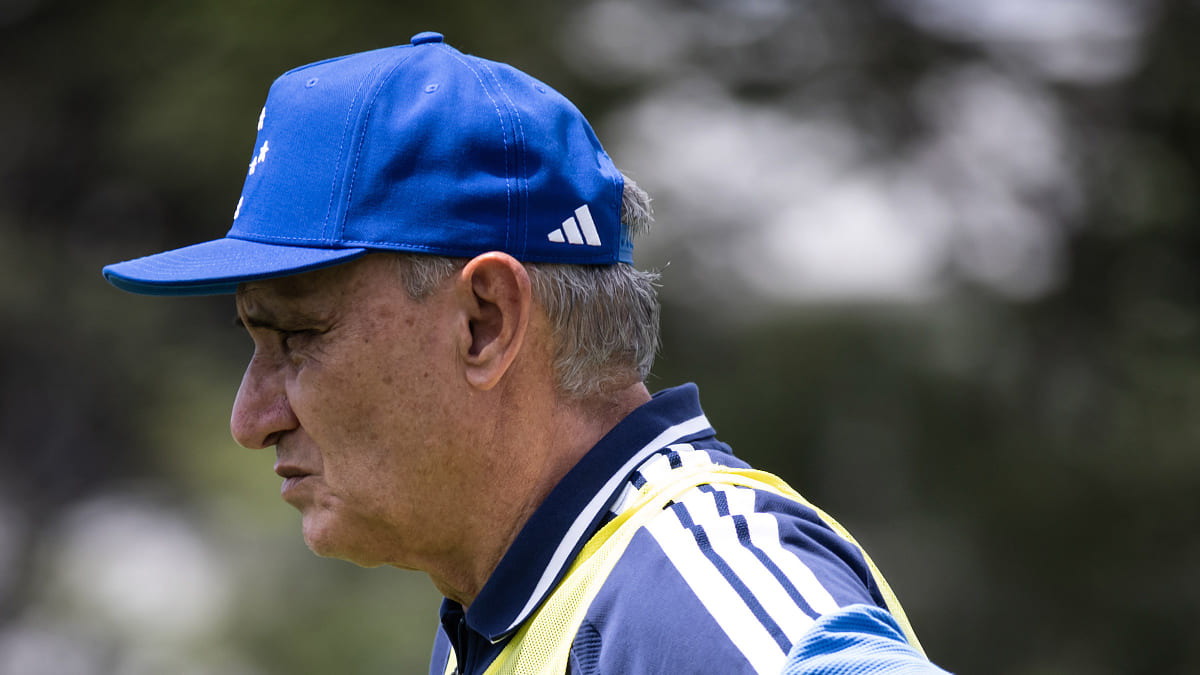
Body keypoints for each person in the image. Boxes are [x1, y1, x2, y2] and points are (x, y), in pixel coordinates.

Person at [102, 32, 950, 675]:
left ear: (486, 322)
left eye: (296, 337)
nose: (250, 419)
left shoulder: (691, 583)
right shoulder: (510, 610)